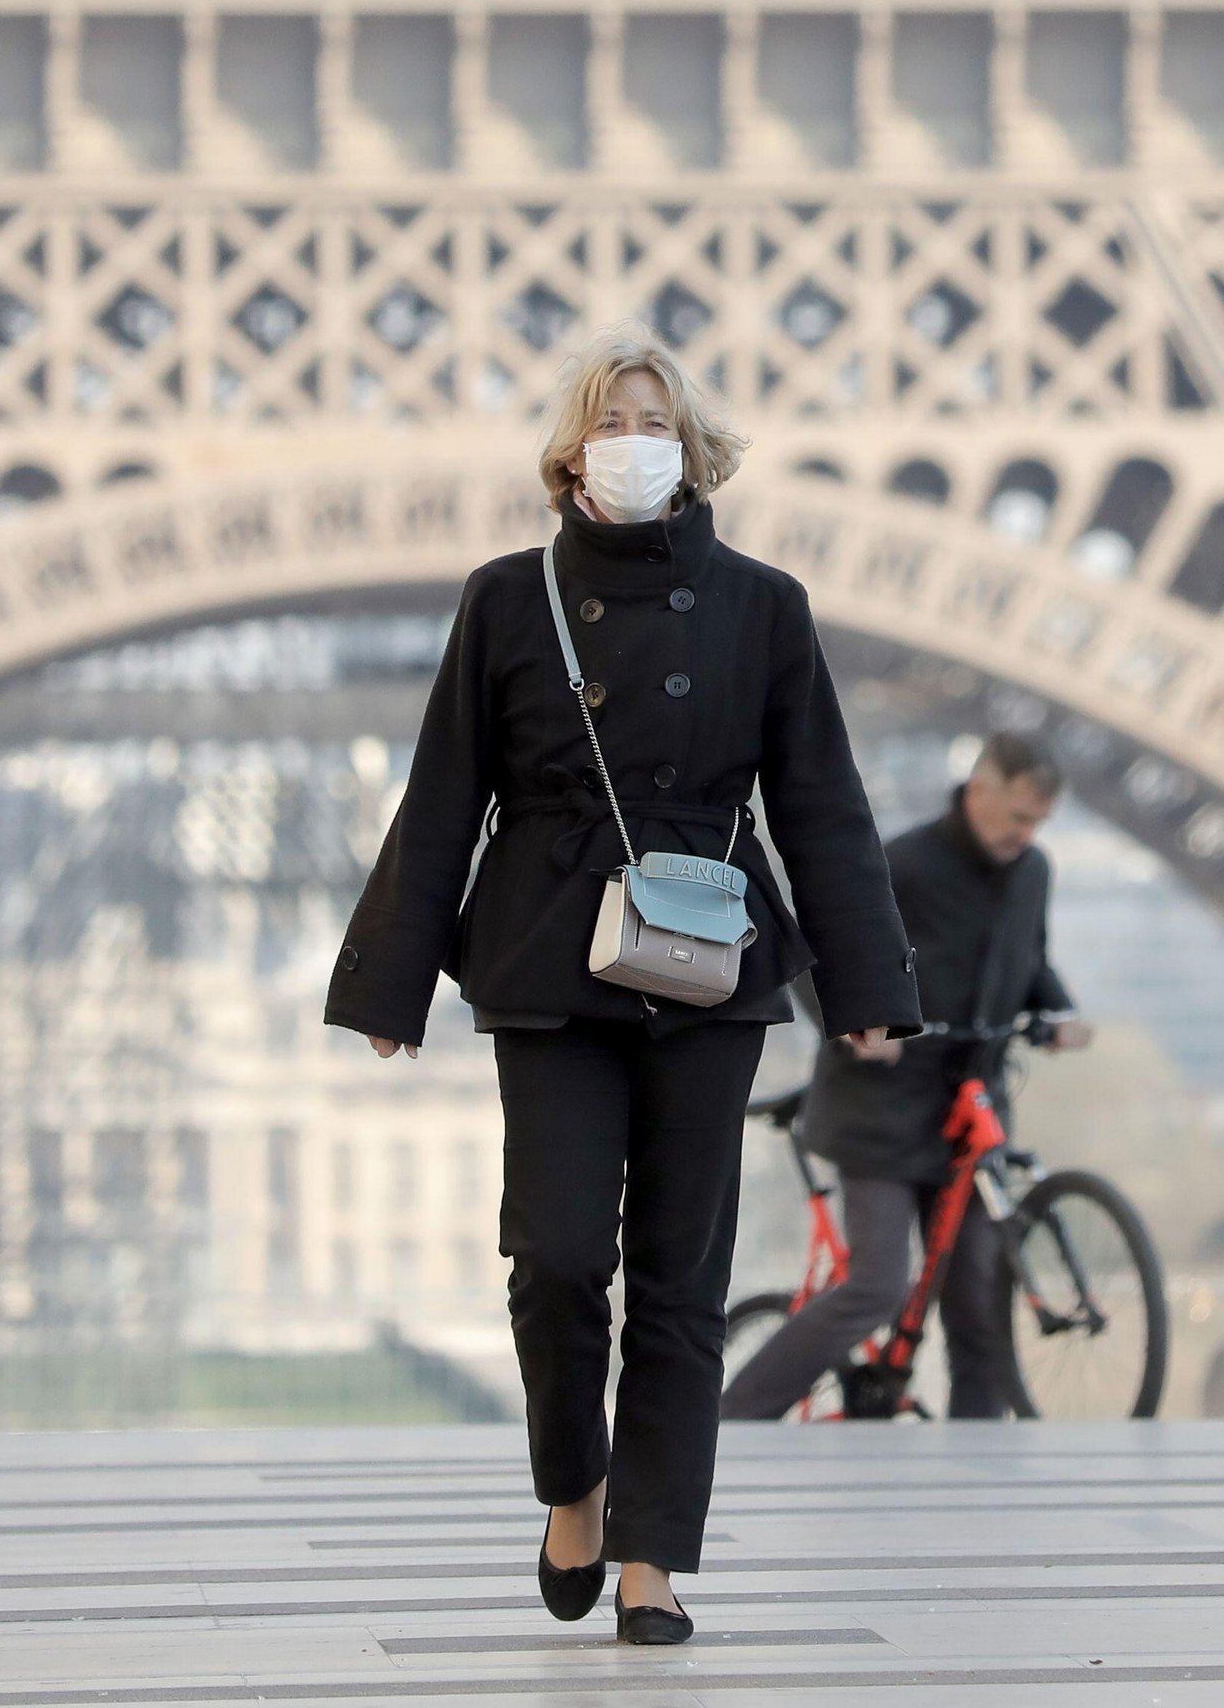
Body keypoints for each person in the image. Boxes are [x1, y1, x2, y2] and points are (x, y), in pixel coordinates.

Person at [325, 325, 918, 1646]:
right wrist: (391, 981)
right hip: (549, 953)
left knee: (679, 1274)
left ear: (692, 445)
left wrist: (865, 986)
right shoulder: (505, 597)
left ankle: (654, 1552)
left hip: (706, 955)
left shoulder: (766, 605)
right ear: (571, 450)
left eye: (652, 417)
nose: (631, 438)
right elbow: (445, 794)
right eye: (609, 418)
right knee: (555, 1257)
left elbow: (819, 801)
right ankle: (572, 1487)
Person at [719, 734, 1089, 1422]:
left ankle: (983, 1454)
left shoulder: (1034, 871)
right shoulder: (905, 865)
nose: (1024, 834)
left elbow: (1029, 961)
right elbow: (817, 953)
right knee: (878, 1285)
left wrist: (1060, 1012)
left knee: (979, 1292)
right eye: (1015, 816)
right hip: (881, 1107)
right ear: (978, 789)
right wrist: (857, 1026)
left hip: (972, 1103)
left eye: (1037, 822)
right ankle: (734, 1417)